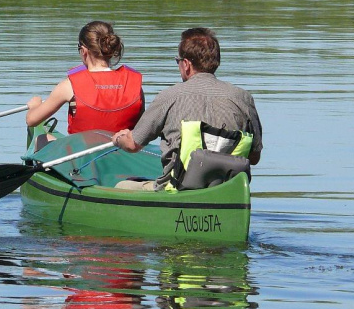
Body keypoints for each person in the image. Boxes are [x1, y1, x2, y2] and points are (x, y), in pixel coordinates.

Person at [113, 27, 263, 191]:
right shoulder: (243, 98)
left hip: (177, 189)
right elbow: (254, 157)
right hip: (228, 191)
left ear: (186, 64)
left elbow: (133, 145)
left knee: (121, 186)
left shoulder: (169, 96)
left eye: (178, 61)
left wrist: (119, 139)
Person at [26, 21, 144, 135]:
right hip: (123, 151)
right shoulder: (135, 86)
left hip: (82, 152)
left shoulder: (69, 86)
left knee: (41, 139)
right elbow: (141, 128)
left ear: (83, 51)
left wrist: (35, 106)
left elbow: (32, 120)